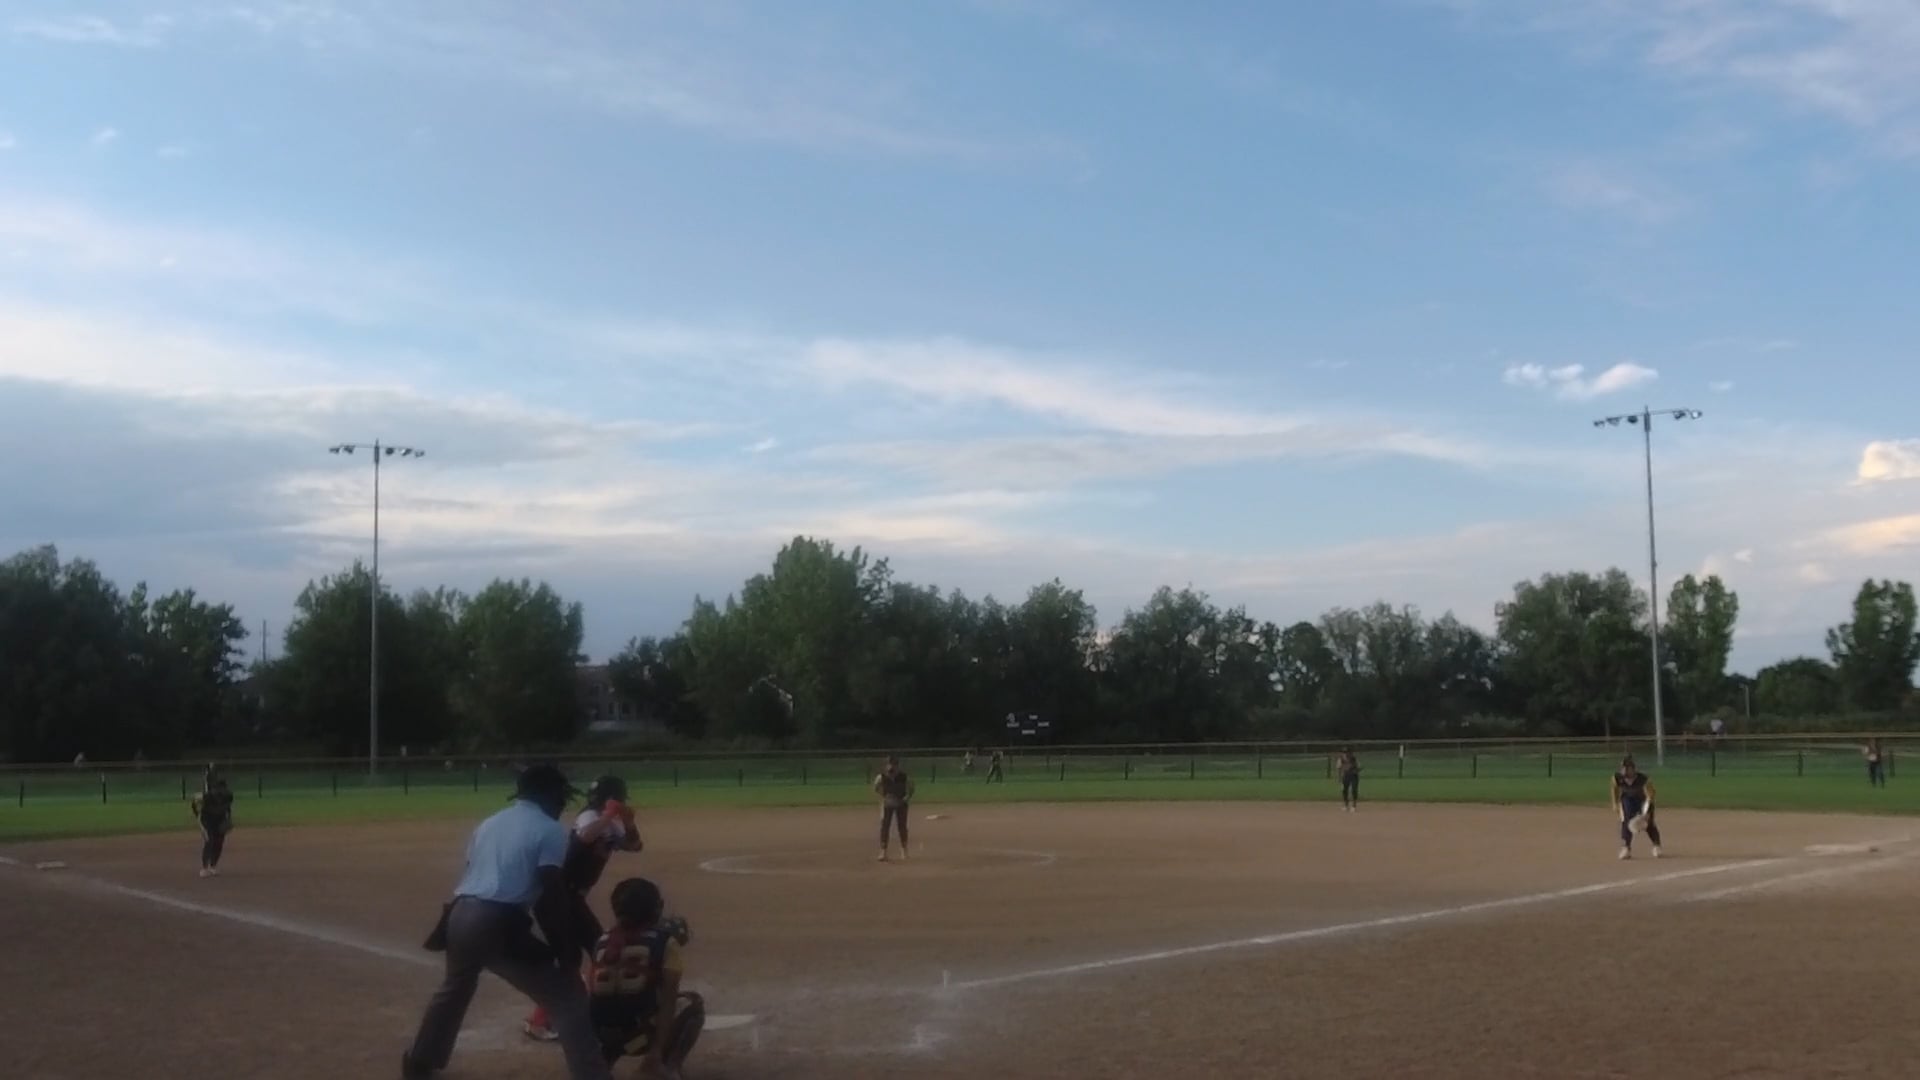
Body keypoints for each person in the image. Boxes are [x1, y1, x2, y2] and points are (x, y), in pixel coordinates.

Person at [402, 764, 613, 1080]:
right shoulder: (549, 829)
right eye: (560, 796)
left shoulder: (490, 823)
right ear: (547, 795)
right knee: (567, 997)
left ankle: (418, 1063)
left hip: (458, 916)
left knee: (455, 988)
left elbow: (477, 872)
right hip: (495, 922)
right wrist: (564, 950)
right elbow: (551, 896)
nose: (562, 804)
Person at [525, 775, 645, 1042]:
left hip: (571, 898)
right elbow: (584, 838)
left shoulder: (609, 824)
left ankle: (583, 1011)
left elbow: (635, 845)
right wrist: (608, 816)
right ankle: (541, 1021)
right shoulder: (589, 817)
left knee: (594, 951)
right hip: (557, 896)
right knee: (574, 957)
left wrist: (628, 822)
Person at [588, 877, 704, 1078]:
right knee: (692, 1004)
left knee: (613, 1000)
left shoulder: (602, 940)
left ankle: (604, 1058)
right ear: (656, 910)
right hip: (638, 1038)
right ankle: (666, 1067)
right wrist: (656, 1050)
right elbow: (668, 1001)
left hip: (602, 1035)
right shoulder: (665, 942)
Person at [1611, 755, 1662, 861]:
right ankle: (1626, 848)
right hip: (1627, 800)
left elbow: (1650, 795)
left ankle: (1656, 846)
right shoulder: (1618, 778)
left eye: (1627, 768)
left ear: (1633, 769)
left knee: (1649, 824)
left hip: (1643, 801)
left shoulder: (1643, 779)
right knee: (1626, 822)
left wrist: (1646, 813)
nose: (1624, 770)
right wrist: (1615, 803)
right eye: (1623, 768)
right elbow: (1614, 788)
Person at [190, 767, 235, 878]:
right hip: (207, 821)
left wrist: (228, 818)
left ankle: (213, 866)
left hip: (220, 820)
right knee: (209, 841)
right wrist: (197, 815)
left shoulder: (228, 796)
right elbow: (194, 801)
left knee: (218, 843)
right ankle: (205, 868)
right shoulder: (208, 796)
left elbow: (227, 808)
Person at [874, 756, 915, 862]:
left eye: (893, 765)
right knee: (885, 826)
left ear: (897, 766)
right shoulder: (881, 777)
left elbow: (911, 788)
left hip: (901, 803)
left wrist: (907, 797)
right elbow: (876, 787)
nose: (891, 768)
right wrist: (883, 797)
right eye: (889, 765)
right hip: (887, 804)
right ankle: (883, 851)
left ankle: (904, 850)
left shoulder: (904, 777)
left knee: (902, 826)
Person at [1335, 747, 1361, 812]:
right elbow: (1339, 769)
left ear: (1350, 753)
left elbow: (1358, 767)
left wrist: (1356, 771)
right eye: (1344, 752)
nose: (1345, 753)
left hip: (1354, 776)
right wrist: (1339, 778)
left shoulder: (1354, 758)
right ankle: (1346, 805)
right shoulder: (1341, 759)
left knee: (1354, 789)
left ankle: (1354, 805)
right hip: (1346, 776)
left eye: (1347, 752)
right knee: (1344, 790)